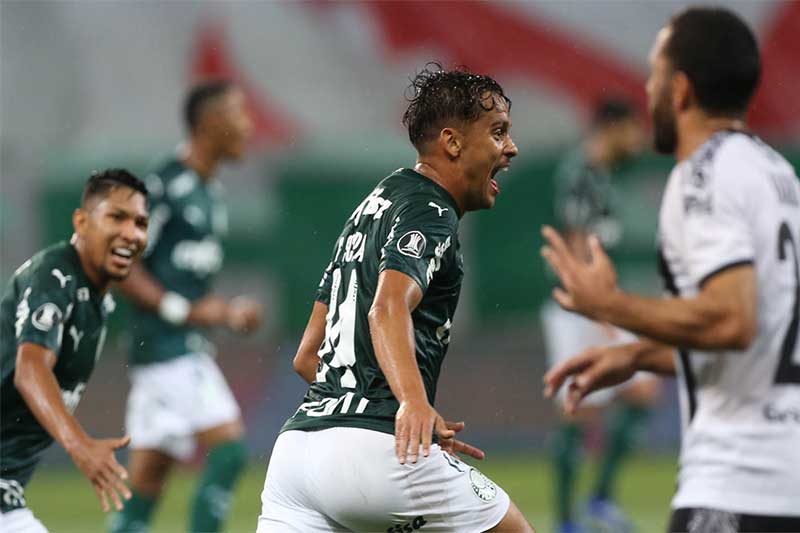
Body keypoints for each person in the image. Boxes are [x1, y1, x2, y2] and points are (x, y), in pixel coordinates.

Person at [542, 7, 800, 533]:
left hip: (738, 485)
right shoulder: (777, 175)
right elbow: (763, 335)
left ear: (679, 90)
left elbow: (732, 321)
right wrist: (638, 354)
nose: (647, 87)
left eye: (654, 73)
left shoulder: (702, 179)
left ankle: (581, 511)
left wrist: (611, 307)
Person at [257, 64, 534, 532]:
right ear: (452, 142)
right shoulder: (430, 210)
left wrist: (406, 403)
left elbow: (308, 355)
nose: (511, 148)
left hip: (296, 457)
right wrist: (410, 403)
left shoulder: (371, 208)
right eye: (498, 133)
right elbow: (386, 308)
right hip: (374, 456)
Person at [111, 81, 263, 533]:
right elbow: (123, 265)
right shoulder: (164, 185)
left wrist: (227, 312)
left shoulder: (209, 192)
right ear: (211, 123)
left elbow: (190, 289)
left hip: (174, 348)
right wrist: (187, 312)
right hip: (166, 347)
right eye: (239, 114)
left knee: (147, 483)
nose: (248, 126)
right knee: (230, 450)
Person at [0, 169, 149, 532]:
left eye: (141, 223)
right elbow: (30, 368)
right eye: (117, 217)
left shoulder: (96, 301)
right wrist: (82, 447)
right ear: (82, 221)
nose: (131, 233)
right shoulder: (55, 275)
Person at [541, 98, 660, 533]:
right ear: (612, 127)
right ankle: (568, 518)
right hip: (578, 307)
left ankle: (599, 499)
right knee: (579, 408)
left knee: (643, 391)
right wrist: (597, 311)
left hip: (599, 303)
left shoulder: (604, 175)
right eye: (633, 127)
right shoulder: (581, 174)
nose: (639, 138)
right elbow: (574, 242)